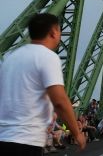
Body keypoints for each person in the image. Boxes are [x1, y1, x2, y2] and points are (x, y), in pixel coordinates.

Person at [0, 13, 86, 155]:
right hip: (26, 140)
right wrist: (77, 133)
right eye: (59, 30)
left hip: (3, 137)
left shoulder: (11, 57)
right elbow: (59, 101)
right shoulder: (47, 57)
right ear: (53, 32)